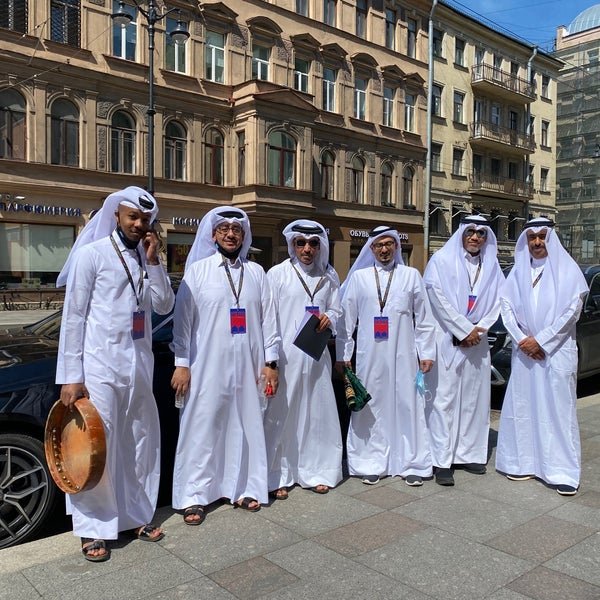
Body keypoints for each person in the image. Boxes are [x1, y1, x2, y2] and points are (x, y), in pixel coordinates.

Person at [56, 186, 175, 562]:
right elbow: (73, 318)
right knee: (97, 443)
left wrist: (155, 262)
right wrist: (71, 376)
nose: (139, 225)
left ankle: (136, 515)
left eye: (145, 220)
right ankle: (94, 528)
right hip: (99, 364)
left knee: (139, 440)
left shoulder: (146, 257)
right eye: (133, 218)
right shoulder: (91, 255)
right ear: (117, 216)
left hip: (138, 363)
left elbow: (164, 304)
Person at [170, 207, 280, 524]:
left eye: (237, 229)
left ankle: (245, 488)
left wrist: (271, 362)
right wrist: (181, 364)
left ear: (243, 236)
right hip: (206, 365)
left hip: (251, 363)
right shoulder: (198, 271)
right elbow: (183, 324)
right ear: (214, 235)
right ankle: (194, 496)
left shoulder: (257, 273)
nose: (231, 234)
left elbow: (270, 321)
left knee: (247, 424)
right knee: (202, 426)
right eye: (224, 229)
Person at [335, 226, 436, 486]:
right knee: (373, 404)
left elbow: (424, 318)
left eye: (389, 244)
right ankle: (370, 461)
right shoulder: (359, 278)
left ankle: (411, 462)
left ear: (396, 247)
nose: (384, 249)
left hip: (404, 352)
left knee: (407, 403)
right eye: (379, 245)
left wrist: (426, 352)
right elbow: (347, 321)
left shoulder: (411, 276)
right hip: (370, 354)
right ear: (371, 248)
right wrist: (343, 355)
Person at [495, 217, 588, 496]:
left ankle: (562, 471)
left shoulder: (568, 270)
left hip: (556, 352)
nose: (536, 242)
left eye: (542, 237)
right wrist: (523, 340)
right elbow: (506, 307)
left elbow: (572, 311)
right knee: (523, 407)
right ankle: (522, 463)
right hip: (525, 352)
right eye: (532, 238)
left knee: (558, 411)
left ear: (550, 238)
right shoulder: (519, 271)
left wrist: (542, 341)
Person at [263, 220, 343, 499]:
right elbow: (269, 319)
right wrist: (271, 359)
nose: (307, 249)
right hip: (286, 357)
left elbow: (337, 309)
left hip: (316, 356)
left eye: (313, 243)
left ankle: (316, 471)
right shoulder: (276, 274)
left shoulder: (329, 275)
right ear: (292, 246)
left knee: (317, 415)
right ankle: (278, 474)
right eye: (301, 243)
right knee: (282, 415)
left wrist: (329, 317)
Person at [423, 215, 505, 486]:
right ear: (461, 233)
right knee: (444, 401)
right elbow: (436, 297)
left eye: (481, 234)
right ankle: (442, 460)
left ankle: (469, 454)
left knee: (474, 400)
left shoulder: (492, 266)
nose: (475, 237)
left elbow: (499, 302)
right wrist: (462, 329)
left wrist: (478, 329)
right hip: (448, 340)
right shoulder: (440, 261)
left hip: (477, 344)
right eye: (470, 231)